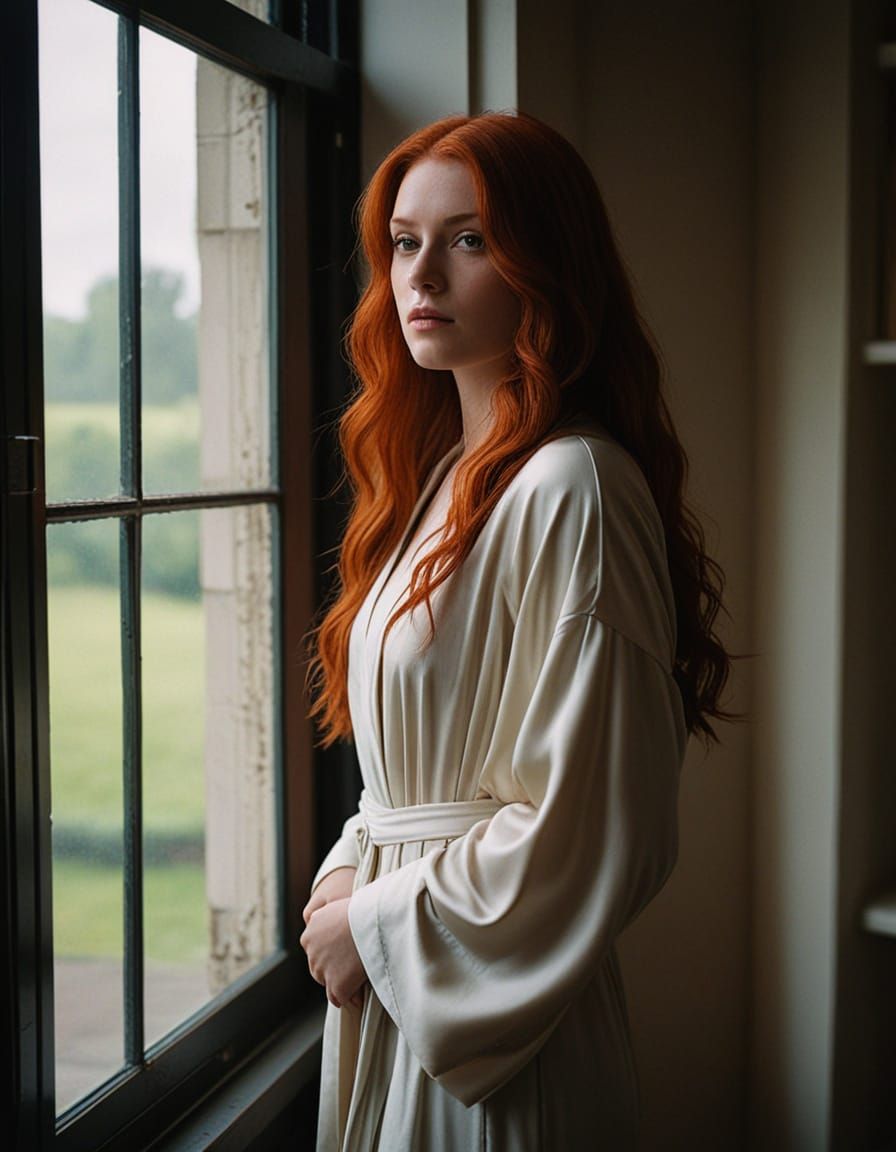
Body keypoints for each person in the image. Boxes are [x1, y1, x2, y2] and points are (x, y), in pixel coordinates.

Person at [300, 110, 732, 1151]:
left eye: (469, 240)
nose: (422, 277)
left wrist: (375, 923)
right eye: (404, 242)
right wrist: (350, 870)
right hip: (400, 981)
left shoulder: (570, 485)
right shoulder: (440, 480)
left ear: (546, 264)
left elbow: (591, 824)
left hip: (493, 1029)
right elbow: (410, 785)